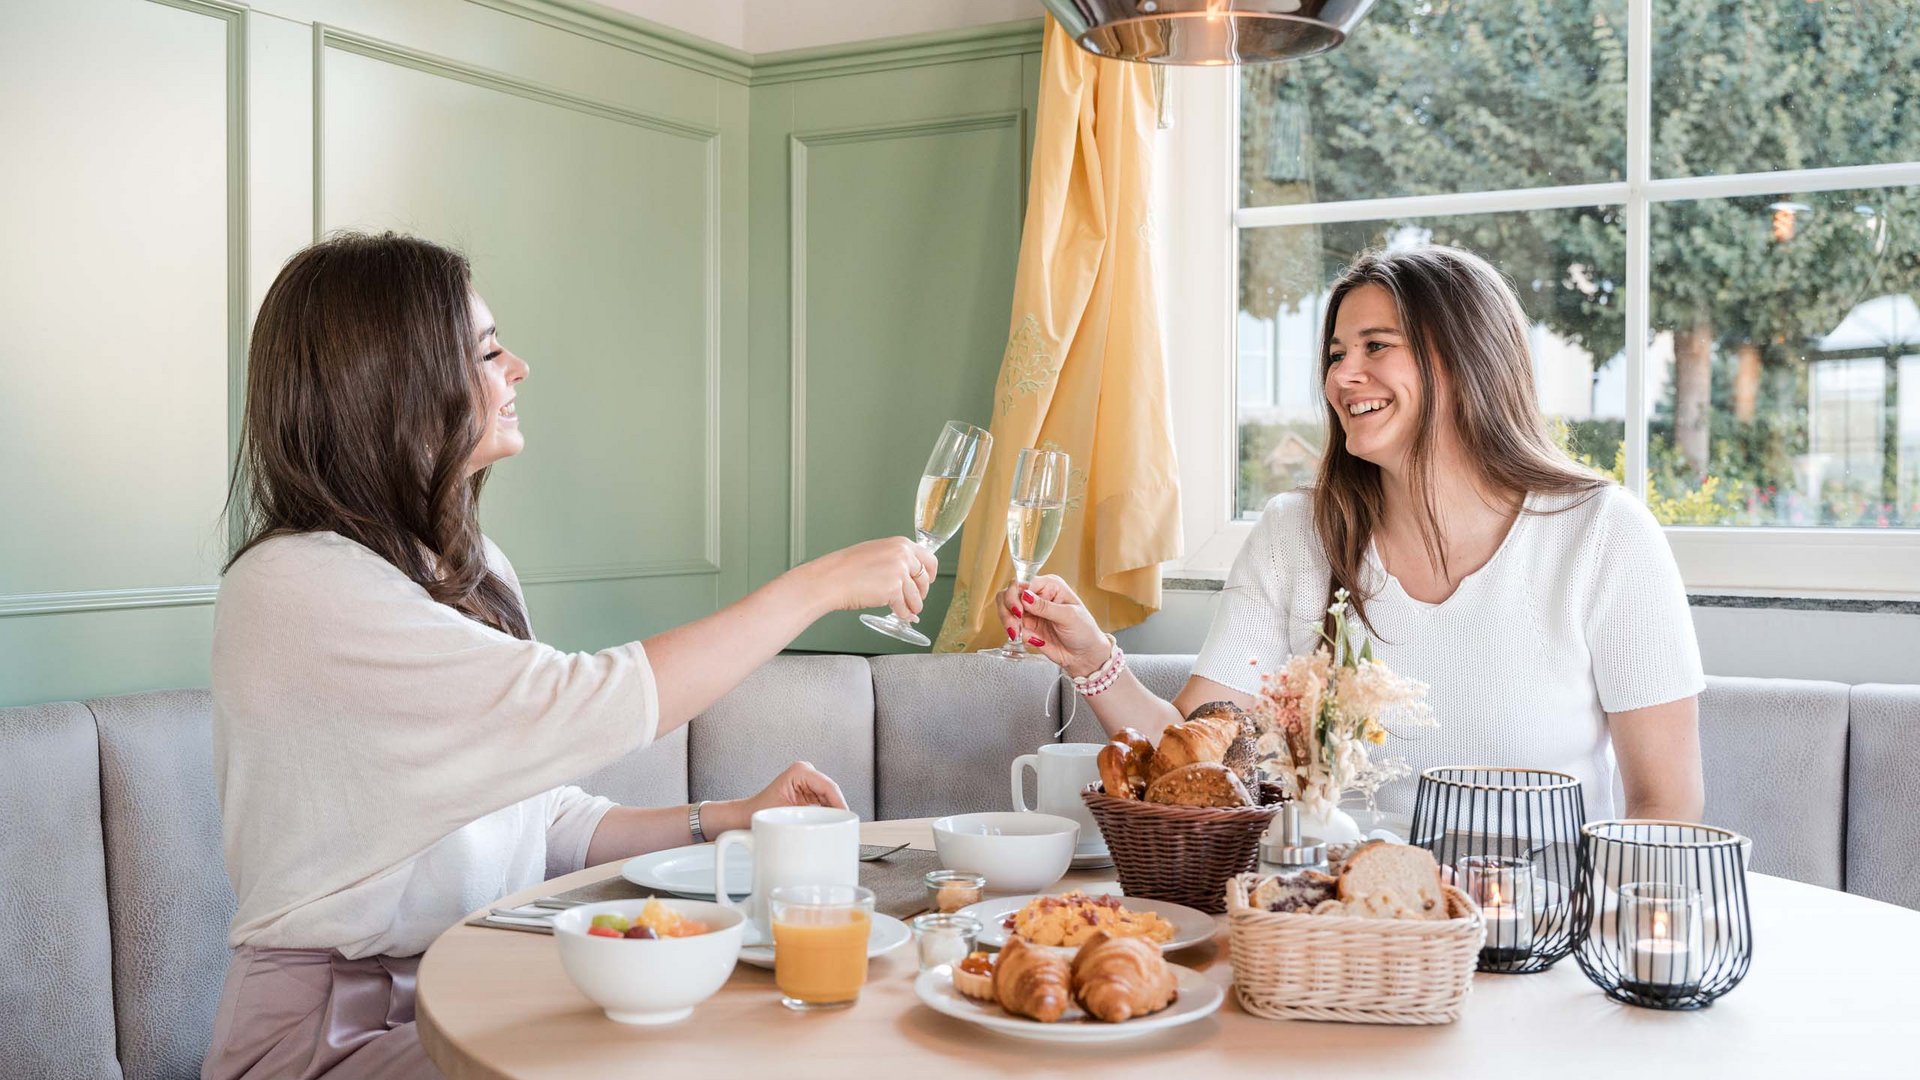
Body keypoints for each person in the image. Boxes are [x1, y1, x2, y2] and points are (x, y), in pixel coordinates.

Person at [203, 232, 936, 1080]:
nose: (518, 367)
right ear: (395, 381)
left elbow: (542, 816)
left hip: (474, 982)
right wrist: (815, 586)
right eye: (486, 349)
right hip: (332, 1034)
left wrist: (724, 819)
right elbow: (592, 700)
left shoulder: (467, 567)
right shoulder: (296, 587)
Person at [1000, 245, 1705, 822]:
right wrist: (1092, 658)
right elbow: (1193, 757)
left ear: (1467, 359)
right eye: (1337, 353)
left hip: (1537, 935)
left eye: (1376, 345)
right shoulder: (1292, 536)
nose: (1344, 375)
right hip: (1331, 929)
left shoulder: (1601, 535)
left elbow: (1665, 804)